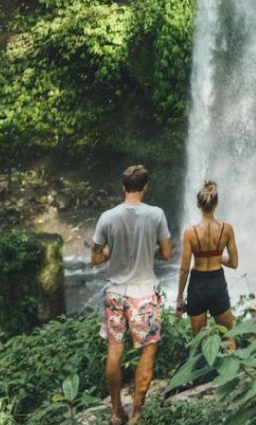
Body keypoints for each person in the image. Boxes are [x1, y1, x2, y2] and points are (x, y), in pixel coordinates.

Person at [92, 165, 172, 425]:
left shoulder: (107, 217)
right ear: (146, 186)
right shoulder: (156, 215)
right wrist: (148, 251)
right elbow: (167, 253)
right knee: (147, 353)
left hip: (115, 293)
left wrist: (111, 253)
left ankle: (116, 410)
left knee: (114, 350)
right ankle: (136, 414)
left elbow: (95, 257)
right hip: (144, 295)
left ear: (123, 186)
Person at [175, 180, 238, 347]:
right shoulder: (227, 229)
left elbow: (184, 268)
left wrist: (179, 297)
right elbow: (234, 263)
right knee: (228, 337)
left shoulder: (190, 232)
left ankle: (203, 372)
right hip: (217, 283)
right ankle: (232, 372)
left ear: (197, 204)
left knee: (199, 341)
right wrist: (217, 257)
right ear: (216, 203)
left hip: (197, 285)